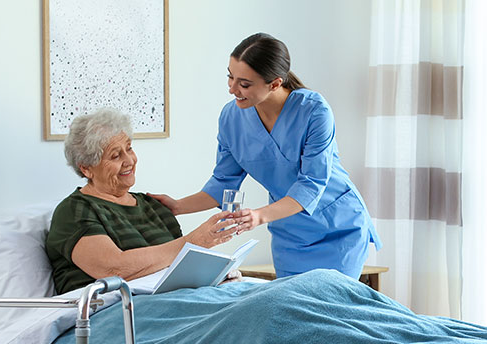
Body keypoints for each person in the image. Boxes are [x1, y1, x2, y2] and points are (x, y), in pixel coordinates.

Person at [152, 32, 381, 279]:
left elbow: (311, 185)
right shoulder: (231, 118)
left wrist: (258, 216)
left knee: (331, 309)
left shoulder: (314, 111)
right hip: (289, 234)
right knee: (292, 311)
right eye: (230, 77)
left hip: (338, 229)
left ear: (274, 83)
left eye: (244, 84)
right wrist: (177, 206)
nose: (232, 89)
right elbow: (223, 183)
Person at [46, 108, 236, 295]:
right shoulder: (74, 211)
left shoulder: (153, 207)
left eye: (129, 148)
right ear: (87, 169)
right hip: (115, 312)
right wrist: (193, 242)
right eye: (115, 155)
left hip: (172, 301)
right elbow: (114, 270)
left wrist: (213, 276)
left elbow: (178, 268)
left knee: (260, 298)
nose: (129, 160)